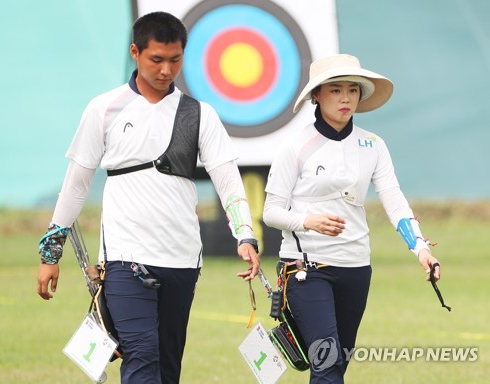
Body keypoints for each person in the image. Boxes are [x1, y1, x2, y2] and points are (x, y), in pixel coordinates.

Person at [36, 11, 260, 384]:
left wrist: (245, 235)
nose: (166, 70)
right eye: (156, 59)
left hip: (182, 257)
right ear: (135, 52)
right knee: (141, 353)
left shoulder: (199, 114)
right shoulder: (103, 108)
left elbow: (228, 180)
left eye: (175, 60)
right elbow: (76, 185)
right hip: (125, 258)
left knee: (167, 365)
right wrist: (50, 253)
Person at [262, 53, 441, 383]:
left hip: (356, 268)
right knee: (327, 365)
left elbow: (395, 202)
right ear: (317, 95)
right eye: (335, 90)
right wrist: (307, 221)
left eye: (352, 90)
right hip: (306, 270)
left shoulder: (373, 145)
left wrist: (421, 250)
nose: (345, 98)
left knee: (336, 366)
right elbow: (271, 212)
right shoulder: (295, 146)